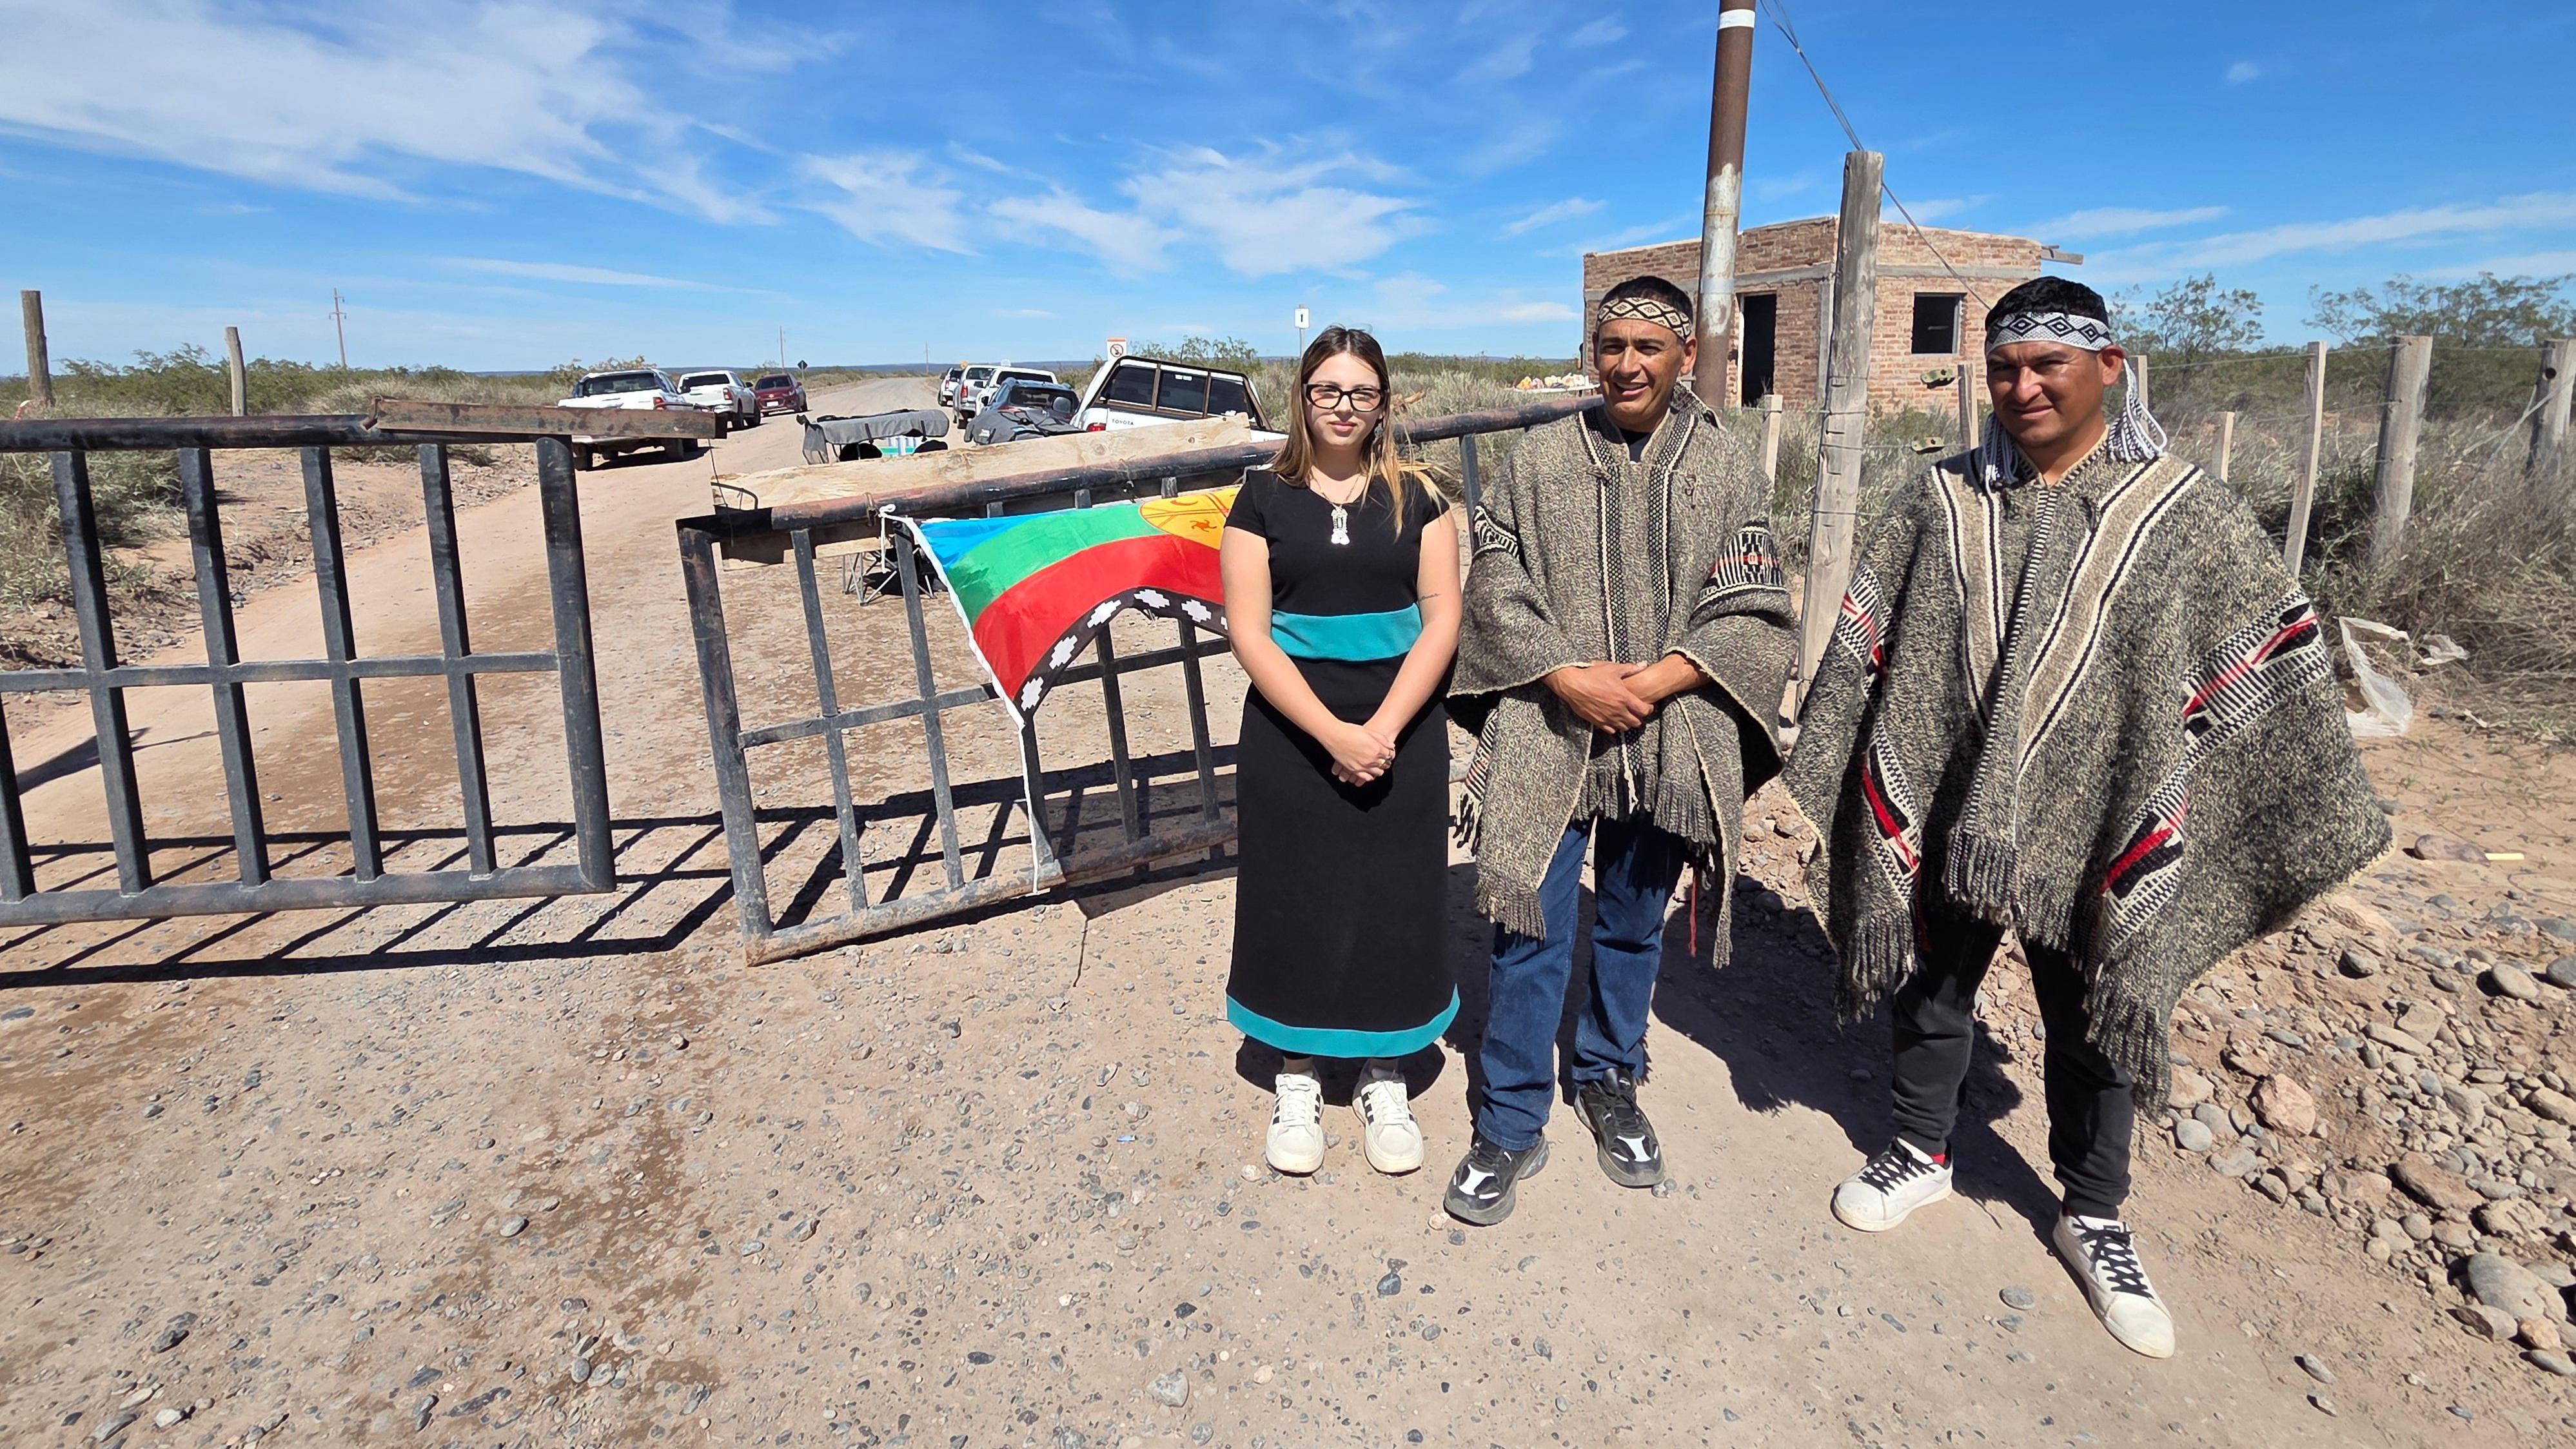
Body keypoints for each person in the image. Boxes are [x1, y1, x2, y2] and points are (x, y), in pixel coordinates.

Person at [1785, 277, 2390, 1358]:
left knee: (2096, 1005)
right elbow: (1876, 643)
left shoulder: (2186, 513)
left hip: (2102, 809)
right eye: (2003, 367)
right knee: (1932, 981)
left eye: (2046, 365)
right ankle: (1922, 1150)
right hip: (1948, 794)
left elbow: (2260, 665)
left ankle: (2094, 1213)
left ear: (2109, 367)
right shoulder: (1939, 499)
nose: (2022, 386)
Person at [1443, 275, 1796, 1225]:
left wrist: (1658, 681)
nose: (1628, 364)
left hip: (1672, 734)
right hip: (1551, 726)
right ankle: (1511, 1117)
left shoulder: (1726, 468)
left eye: (1649, 347)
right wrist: (1567, 677)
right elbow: (1496, 580)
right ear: (1592, 352)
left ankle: (1608, 1076)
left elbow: (1755, 604)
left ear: (1686, 356)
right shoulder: (1538, 459)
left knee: (1634, 926)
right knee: (1529, 927)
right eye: (1613, 346)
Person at [1220, 326, 1462, 1177]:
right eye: (1328, 389)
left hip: (1404, 727)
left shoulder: (1421, 497)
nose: (1344, 406)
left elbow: (1443, 617)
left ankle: (1383, 1070)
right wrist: (1332, 734)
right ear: (1303, 397)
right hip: (1292, 734)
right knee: (1295, 890)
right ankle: (1297, 1066)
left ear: (1383, 402)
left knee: (1396, 894)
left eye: (1361, 392)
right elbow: (1249, 632)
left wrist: (1382, 731)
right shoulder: (1259, 498)